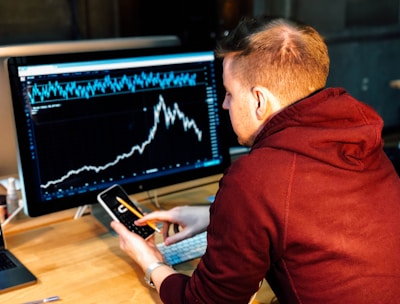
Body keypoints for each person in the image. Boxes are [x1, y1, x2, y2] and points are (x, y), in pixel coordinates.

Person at [110, 17, 400, 304]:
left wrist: (150, 262)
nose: (224, 104)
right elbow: (313, 213)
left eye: (230, 93)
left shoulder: (257, 178)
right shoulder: (360, 139)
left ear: (259, 100)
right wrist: (216, 216)